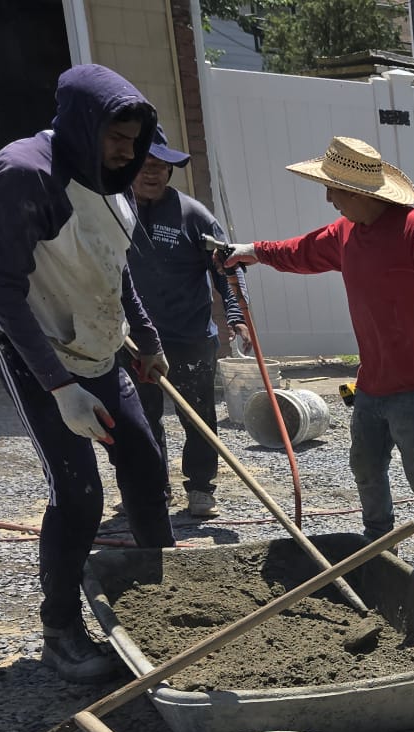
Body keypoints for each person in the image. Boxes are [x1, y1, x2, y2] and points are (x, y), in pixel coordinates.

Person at [0, 64, 176, 682]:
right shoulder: (22, 174)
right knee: (78, 492)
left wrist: (147, 338)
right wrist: (60, 389)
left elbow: (115, 269)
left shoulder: (113, 179)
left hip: (99, 346)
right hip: (31, 348)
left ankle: (158, 598)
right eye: (116, 137)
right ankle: (60, 628)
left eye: (135, 140)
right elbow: (0, 289)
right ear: (82, 123)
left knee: (144, 460)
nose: (127, 152)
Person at [221, 137, 414, 589]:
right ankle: (379, 547)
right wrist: (253, 251)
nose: (328, 198)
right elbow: (298, 251)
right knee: (365, 465)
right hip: (371, 384)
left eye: (333, 190)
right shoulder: (345, 235)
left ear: (359, 193)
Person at [125, 135, 247, 519]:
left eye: (160, 167)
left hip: (189, 338)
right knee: (140, 418)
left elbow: (226, 270)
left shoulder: (192, 216)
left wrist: (236, 316)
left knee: (198, 416)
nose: (152, 174)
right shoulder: (114, 211)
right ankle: (152, 488)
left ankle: (200, 488)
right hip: (133, 340)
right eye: (144, 165)